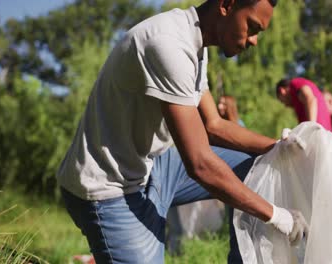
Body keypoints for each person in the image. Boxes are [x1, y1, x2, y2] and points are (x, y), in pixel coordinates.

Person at [57, 1, 309, 263]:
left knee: (257, 166)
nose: (255, 40)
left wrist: (279, 146)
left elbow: (214, 125)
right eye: (253, 27)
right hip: (110, 187)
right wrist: (277, 216)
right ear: (227, 5)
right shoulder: (168, 44)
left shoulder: (196, 42)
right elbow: (200, 164)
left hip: (152, 167)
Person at [166, 95, 243, 255]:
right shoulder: (207, 125)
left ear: (230, 106)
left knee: (236, 216)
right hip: (210, 173)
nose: (220, 106)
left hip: (231, 175)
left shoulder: (237, 126)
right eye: (219, 103)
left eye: (223, 103)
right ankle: (176, 248)